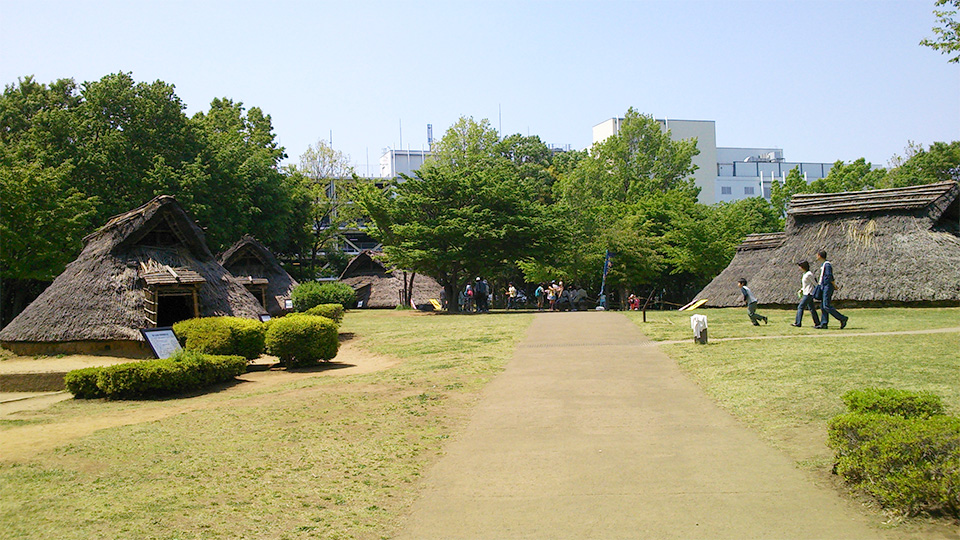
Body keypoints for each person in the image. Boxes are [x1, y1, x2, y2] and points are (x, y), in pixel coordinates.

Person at [815, 250, 848, 329]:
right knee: (823, 306)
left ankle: (842, 318)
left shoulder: (827, 265)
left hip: (827, 286)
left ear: (819, 255)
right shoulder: (823, 265)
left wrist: (834, 285)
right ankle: (824, 323)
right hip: (823, 285)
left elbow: (830, 276)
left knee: (826, 305)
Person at [792, 260, 820, 328]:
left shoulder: (809, 274)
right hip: (806, 292)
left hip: (808, 293)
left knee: (800, 307)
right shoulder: (805, 274)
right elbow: (806, 284)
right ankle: (817, 323)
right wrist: (801, 289)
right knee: (812, 308)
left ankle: (798, 322)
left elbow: (815, 283)